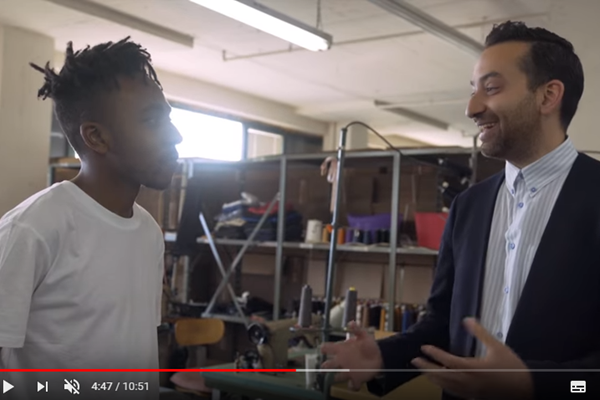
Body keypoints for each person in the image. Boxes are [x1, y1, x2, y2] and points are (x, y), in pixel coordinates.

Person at [321, 21, 600, 400]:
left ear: (548, 96)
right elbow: (442, 325)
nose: (471, 108)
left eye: (492, 88)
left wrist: (534, 384)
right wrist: (385, 356)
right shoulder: (469, 206)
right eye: (473, 91)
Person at [0, 37, 182, 399]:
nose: (175, 136)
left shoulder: (149, 232)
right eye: (152, 121)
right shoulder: (33, 229)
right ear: (96, 137)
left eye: (168, 119)